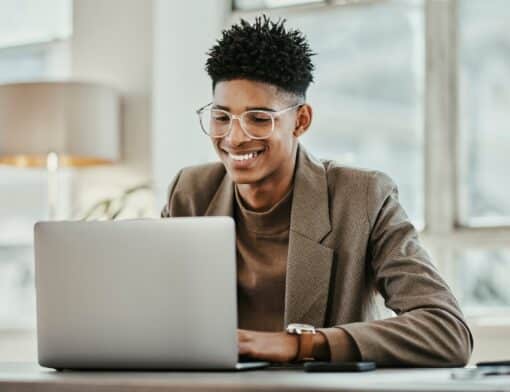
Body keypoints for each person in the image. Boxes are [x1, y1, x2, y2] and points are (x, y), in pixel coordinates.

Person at [161, 16, 473, 366]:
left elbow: (448, 332)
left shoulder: (363, 197)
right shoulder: (189, 193)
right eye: (221, 117)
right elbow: (154, 317)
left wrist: (300, 345)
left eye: (259, 118)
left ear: (302, 121)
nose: (233, 138)